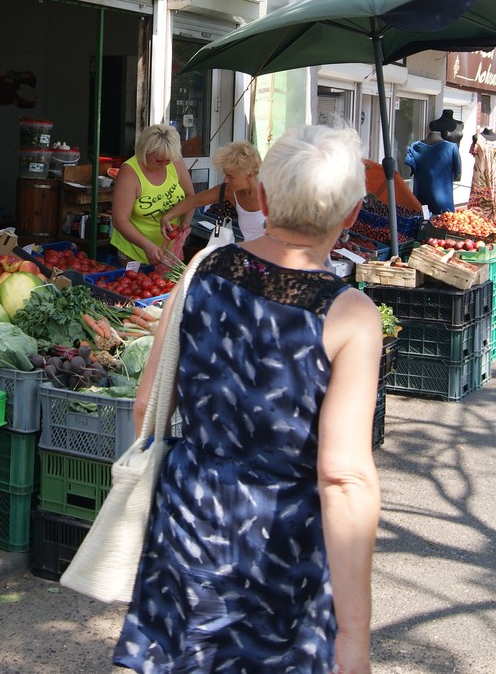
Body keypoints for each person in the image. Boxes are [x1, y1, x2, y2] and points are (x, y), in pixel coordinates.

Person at [114, 124, 382, 673]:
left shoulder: (202, 272)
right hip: (281, 543)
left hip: (189, 517)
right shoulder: (351, 314)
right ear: (353, 214)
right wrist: (353, 637)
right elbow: (344, 477)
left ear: (263, 194)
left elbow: (147, 408)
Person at [110, 124, 196, 267]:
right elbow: (120, 220)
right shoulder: (129, 172)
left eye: (168, 160)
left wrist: (185, 223)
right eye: (158, 160)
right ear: (145, 151)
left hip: (169, 249)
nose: (164, 165)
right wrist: (146, 245)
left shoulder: (176, 162)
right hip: (135, 250)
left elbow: (190, 196)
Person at [158, 141, 265, 242]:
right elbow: (192, 201)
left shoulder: (273, 195)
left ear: (249, 175)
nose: (225, 180)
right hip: (251, 257)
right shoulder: (229, 191)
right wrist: (167, 217)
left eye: (230, 176)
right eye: (225, 174)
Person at [405, 129, 462, 214]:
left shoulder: (415, 148)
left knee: (421, 225)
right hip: (444, 205)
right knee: (443, 225)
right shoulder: (452, 148)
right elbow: (457, 174)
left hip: (421, 203)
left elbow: (409, 170)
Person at [467, 128, 496, 223]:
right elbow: (474, 153)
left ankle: (494, 230)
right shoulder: (476, 138)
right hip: (480, 179)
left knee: (495, 206)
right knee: (478, 208)